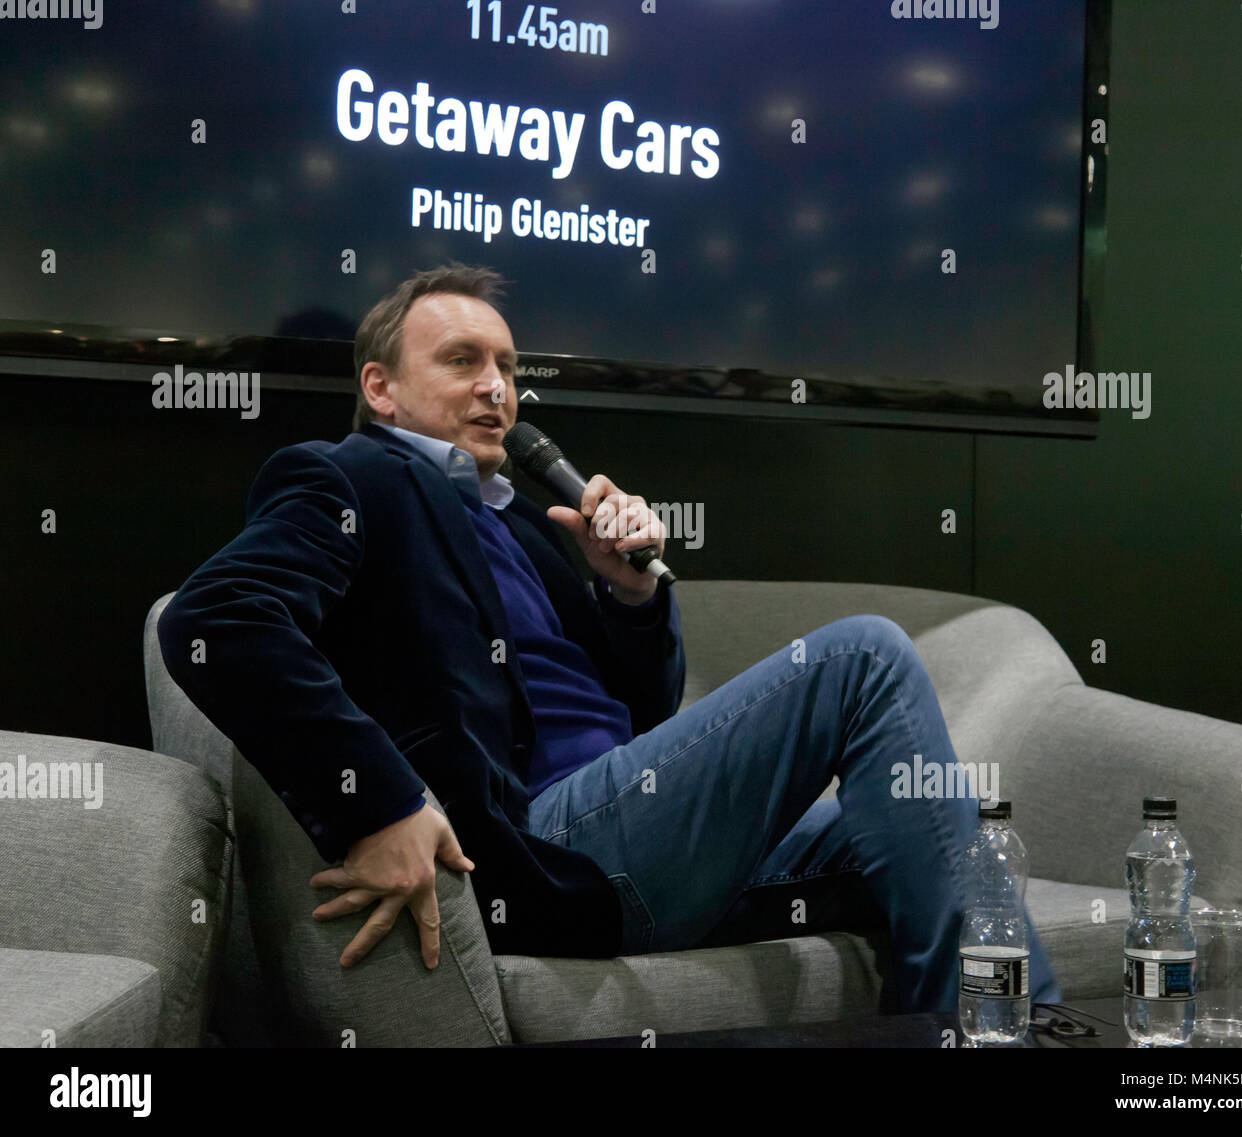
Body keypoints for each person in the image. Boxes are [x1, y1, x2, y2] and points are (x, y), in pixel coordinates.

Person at [159, 262, 1062, 1013]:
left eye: (509, 368)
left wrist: (626, 592)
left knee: (950, 843)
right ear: (380, 387)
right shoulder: (353, 478)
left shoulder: (521, 526)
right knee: (863, 656)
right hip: (546, 844)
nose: (495, 388)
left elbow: (640, 712)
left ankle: (996, 1022)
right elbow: (220, 618)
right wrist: (380, 805)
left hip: (633, 821)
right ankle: (1008, 1033)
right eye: (463, 360)